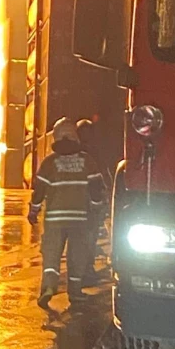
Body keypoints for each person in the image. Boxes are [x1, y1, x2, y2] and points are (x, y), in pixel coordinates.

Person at [28, 117, 105, 310]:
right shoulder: (87, 161)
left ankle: (48, 287)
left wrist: (33, 210)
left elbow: (39, 190)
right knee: (77, 256)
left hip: (54, 219)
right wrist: (96, 208)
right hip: (80, 219)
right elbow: (96, 188)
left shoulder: (49, 163)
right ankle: (75, 293)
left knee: (51, 255)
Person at [76, 118, 109, 282]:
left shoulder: (75, 153)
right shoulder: (91, 153)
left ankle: (83, 270)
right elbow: (98, 177)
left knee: (83, 239)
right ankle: (86, 271)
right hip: (88, 204)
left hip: (79, 203)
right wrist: (100, 201)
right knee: (88, 238)